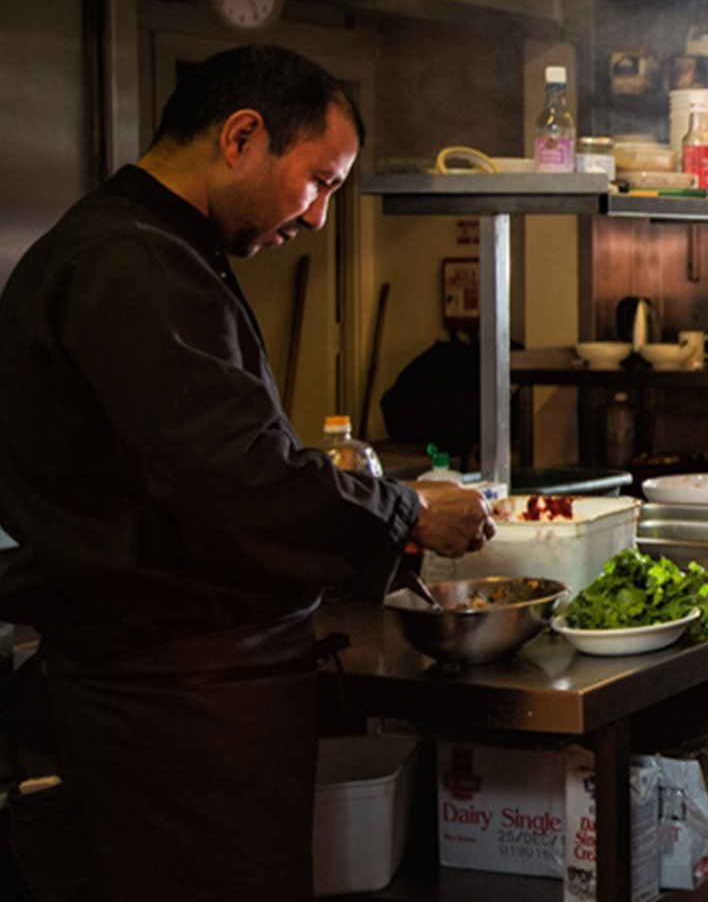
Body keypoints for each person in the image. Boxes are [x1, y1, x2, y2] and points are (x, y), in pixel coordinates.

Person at [0, 45, 495, 901]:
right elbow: (238, 482)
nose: (317, 219)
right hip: (173, 712)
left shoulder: (148, 249)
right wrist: (404, 510)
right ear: (240, 137)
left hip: (182, 698)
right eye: (319, 182)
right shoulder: (132, 263)